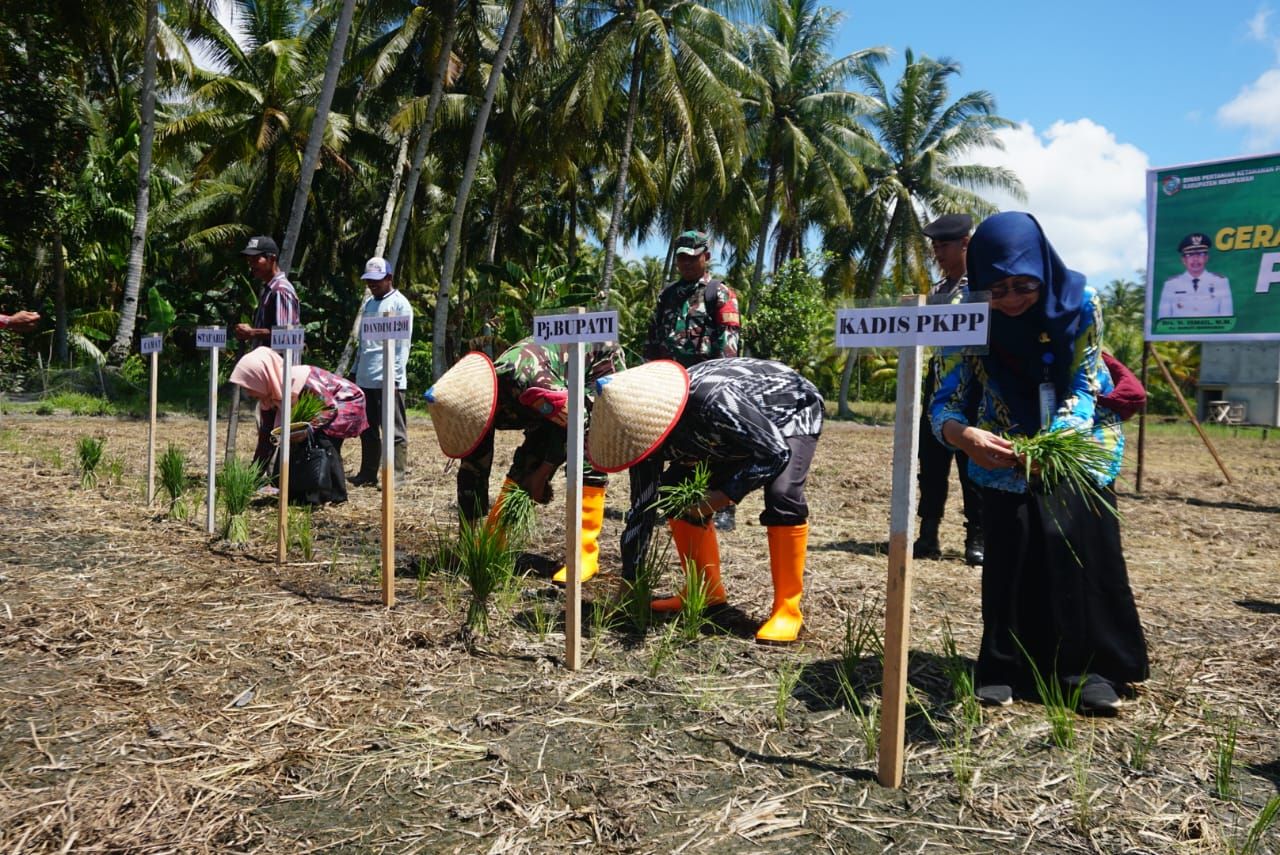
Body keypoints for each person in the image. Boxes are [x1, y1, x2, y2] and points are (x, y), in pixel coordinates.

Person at [931, 211, 1148, 714]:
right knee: (1011, 549)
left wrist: (1051, 445)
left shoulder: (1081, 303)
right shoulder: (965, 312)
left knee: (1073, 547)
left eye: (1023, 285)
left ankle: (1088, 669)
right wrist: (960, 435)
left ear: (1043, 271)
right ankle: (1004, 665)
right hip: (999, 441)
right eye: (997, 288)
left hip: (1076, 437)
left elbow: (1084, 385)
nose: (1009, 300)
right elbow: (947, 396)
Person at [588, 358, 823, 644]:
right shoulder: (640, 434)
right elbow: (643, 508)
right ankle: (705, 592)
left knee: (782, 495)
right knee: (675, 488)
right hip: (725, 434)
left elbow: (774, 453)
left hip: (790, 410)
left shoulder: (712, 399)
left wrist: (720, 497)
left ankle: (787, 610)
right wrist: (630, 579)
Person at [424, 338, 625, 584]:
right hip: (547, 396)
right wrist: (468, 542)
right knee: (525, 467)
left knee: (589, 444)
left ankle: (584, 555)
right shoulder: (470, 409)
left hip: (594, 361)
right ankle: (494, 542)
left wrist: (541, 476)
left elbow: (574, 423)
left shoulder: (522, 380)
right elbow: (473, 472)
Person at [644, 229, 742, 532]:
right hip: (670, 383)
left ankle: (723, 506)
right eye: (681, 258)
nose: (686, 263)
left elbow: (729, 344)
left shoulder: (719, 293)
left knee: (718, 443)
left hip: (707, 383)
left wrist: (719, 385)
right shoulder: (668, 295)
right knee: (675, 442)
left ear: (706, 257)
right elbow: (654, 339)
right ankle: (673, 498)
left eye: (692, 257)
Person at [914, 213, 984, 565]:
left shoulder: (982, 288)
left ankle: (976, 537)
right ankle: (928, 534)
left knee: (971, 464)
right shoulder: (938, 292)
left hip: (975, 388)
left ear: (965, 244)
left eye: (944, 245)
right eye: (935, 246)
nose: (938, 252)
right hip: (937, 387)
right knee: (931, 463)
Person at [229, 347, 368, 504]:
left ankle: (335, 494)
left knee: (322, 442)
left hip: (344, 402)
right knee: (290, 440)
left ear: (261, 377)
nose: (248, 393)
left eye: (249, 386)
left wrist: (307, 429)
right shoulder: (269, 398)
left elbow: (329, 407)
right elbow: (268, 438)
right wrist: (252, 477)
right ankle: (293, 492)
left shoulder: (299, 380)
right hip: (325, 409)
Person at [235, 236, 301, 468]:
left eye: (256, 259)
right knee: (268, 425)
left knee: (274, 426)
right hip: (271, 373)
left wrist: (252, 333)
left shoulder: (281, 291)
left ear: (271, 259)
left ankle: (268, 475)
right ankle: (261, 474)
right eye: (250, 260)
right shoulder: (269, 289)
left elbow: (285, 336)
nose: (252, 265)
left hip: (279, 371)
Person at [349, 256, 413, 487]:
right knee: (368, 430)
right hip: (367, 377)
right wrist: (355, 371)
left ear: (389, 278)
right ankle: (368, 474)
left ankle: (395, 477)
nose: (372, 284)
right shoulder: (369, 305)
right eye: (369, 281)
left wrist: (395, 377)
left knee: (394, 431)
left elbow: (402, 345)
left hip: (389, 379)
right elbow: (363, 342)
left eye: (377, 280)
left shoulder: (400, 304)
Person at [1157, 232, 1232, 318]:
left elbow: (1227, 318)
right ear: (1183, 260)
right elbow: (1163, 320)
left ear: (1206, 258)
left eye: (1200, 254)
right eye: (1190, 255)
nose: (1195, 259)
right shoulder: (1171, 285)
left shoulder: (1221, 282)